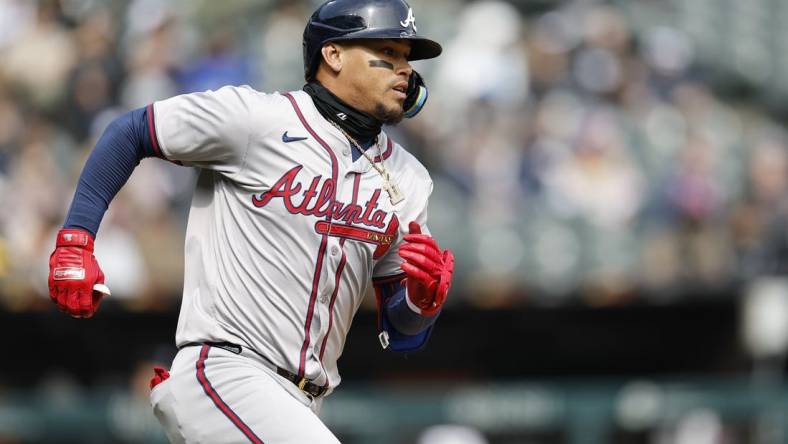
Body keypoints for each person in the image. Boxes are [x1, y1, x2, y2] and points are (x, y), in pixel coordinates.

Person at [46, 0, 455, 442]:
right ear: (332, 55)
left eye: (407, 60)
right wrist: (76, 238)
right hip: (226, 373)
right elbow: (131, 132)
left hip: (303, 402)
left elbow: (401, 336)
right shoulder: (256, 120)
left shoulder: (410, 180)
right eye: (388, 54)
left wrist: (420, 304)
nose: (405, 72)